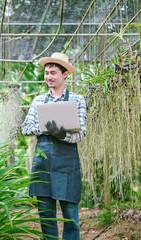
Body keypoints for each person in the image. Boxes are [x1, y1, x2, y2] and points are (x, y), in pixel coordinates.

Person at [21, 52, 87, 240]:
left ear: (65, 74)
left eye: (53, 73)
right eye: (46, 73)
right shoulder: (38, 101)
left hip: (67, 165)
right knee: (46, 217)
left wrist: (63, 135)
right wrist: (45, 129)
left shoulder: (77, 100)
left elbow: (81, 133)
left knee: (70, 218)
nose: (48, 76)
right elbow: (25, 129)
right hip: (43, 164)